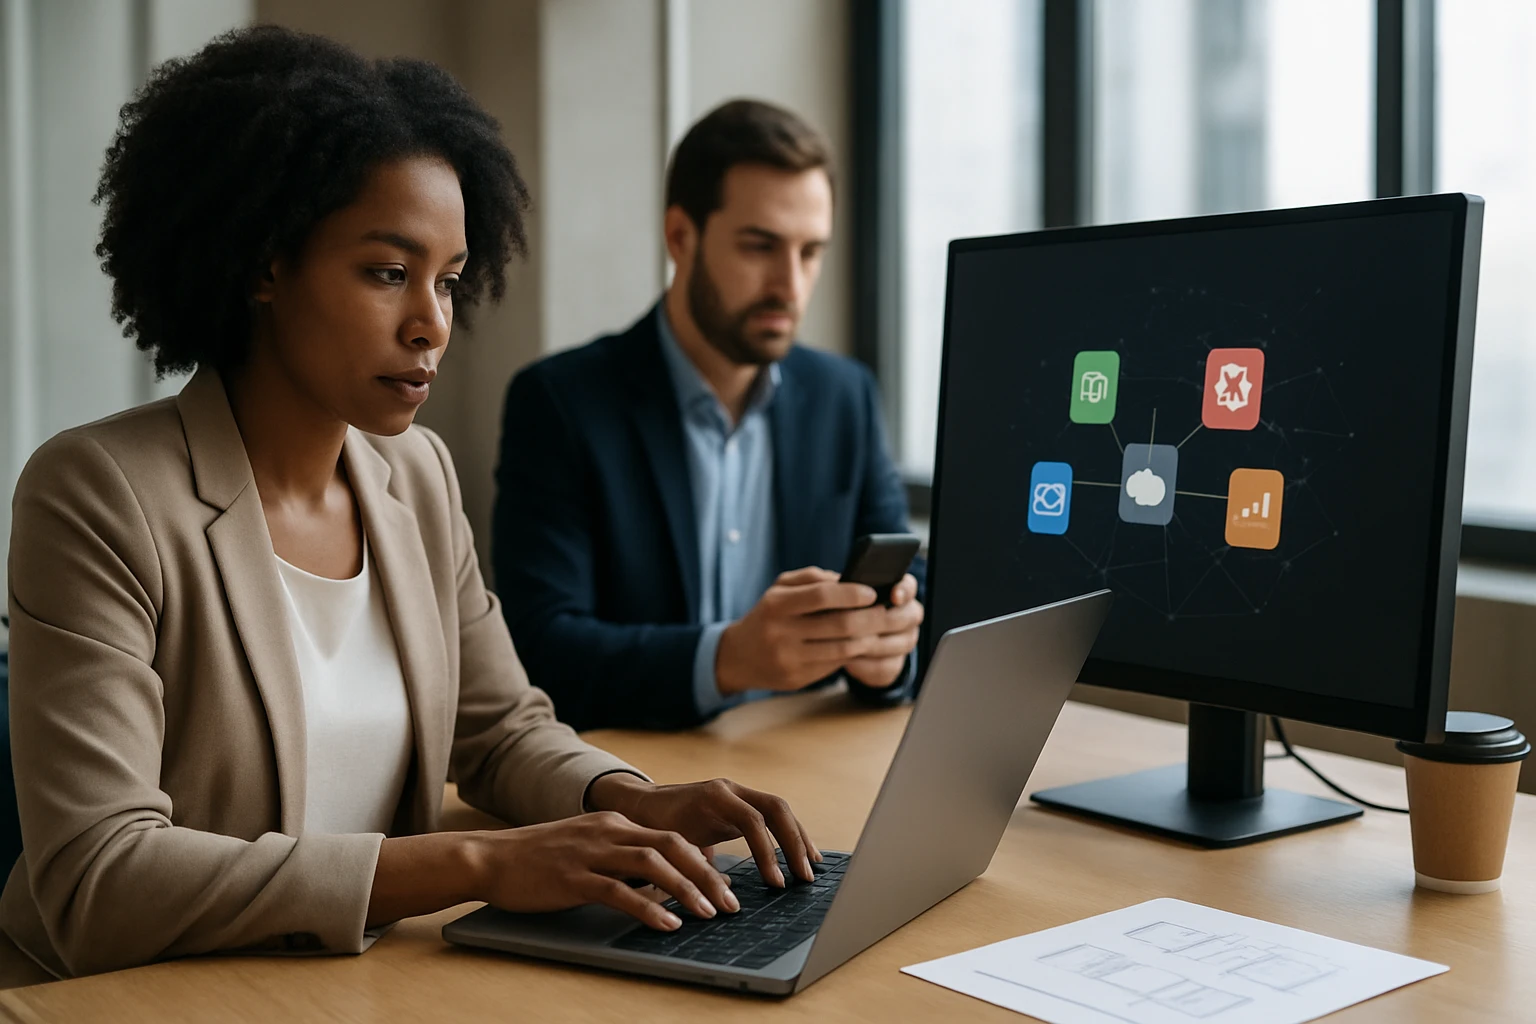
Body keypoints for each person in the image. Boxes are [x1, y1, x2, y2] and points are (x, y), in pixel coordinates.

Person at [1, 28, 819, 981]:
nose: (433, 323)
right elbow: (97, 878)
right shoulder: (99, 493)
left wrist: (632, 799)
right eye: (389, 273)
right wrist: (475, 863)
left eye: (450, 280)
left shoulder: (415, 474)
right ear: (264, 264)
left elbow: (501, 730)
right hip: (128, 997)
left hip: (355, 983)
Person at [493, 100, 925, 732]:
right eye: (760, 246)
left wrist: (888, 656)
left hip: (808, 752)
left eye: (810, 252)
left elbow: (910, 586)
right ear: (680, 237)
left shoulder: (845, 395)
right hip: (643, 772)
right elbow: (541, 649)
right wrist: (726, 659)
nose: (790, 285)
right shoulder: (560, 403)